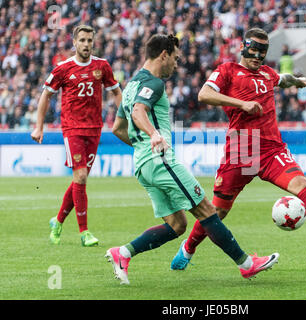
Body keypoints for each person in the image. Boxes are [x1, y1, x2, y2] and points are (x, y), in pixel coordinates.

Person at [171, 27, 306, 270]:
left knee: (301, 185)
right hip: (242, 148)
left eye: (262, 55)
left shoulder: (266, 73)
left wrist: (299, 80)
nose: (257, 58)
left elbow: (282, 80)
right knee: (217, 212)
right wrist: (242, 104)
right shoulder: (228, 70)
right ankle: (188, 248)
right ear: (244, 47)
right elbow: (204, 94)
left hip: (272, 148)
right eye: (253, 52)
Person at [105, 34, 279, 285]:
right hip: (160, 160)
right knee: (207, 210)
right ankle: (246, 264)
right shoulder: (154, 83)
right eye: (174, 58)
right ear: (163, 54)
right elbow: (138, 111)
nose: (176, 64)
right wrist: (154, 135)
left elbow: (118, 129)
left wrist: (144, 143)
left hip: (143, 164)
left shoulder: (131, 85)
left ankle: (123, 253)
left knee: (177, 225)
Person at [31, 25, 122, 247]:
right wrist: (39, 126)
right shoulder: (63, 69)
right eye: (82, 40)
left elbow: (117, 92)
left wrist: (126, 119)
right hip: (72, 129)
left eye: (89, 40)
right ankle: (84, 232)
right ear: (74, 43)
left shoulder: (102, 66)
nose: (86, 44)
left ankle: (58, 220)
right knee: (80, 177)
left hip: (95, 129)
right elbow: (45, 96)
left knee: (79, 181)